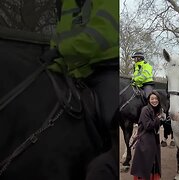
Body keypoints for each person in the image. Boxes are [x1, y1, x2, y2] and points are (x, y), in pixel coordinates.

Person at [39, 0, 119, 179]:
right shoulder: (68, 3)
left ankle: (110, 166)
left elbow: (102, 35)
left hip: (105, 69)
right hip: (73, 72)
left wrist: (61, 51)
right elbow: (60, 37)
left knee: (110, 118)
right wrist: (52, 62)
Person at [131, 90, 162, 180]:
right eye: (152, 99)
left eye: (156, 99)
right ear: (149, 100)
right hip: (145, 142)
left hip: (153, 142)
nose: (154, 100)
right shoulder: (145, 109)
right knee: (144, 165)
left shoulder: (156, 110)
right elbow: (148, 126)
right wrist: (158, 118)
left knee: (153, 164)